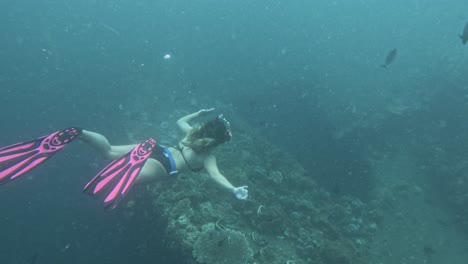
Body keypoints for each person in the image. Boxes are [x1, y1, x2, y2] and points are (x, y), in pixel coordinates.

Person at [0, 108, 248, 209]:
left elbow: (179, 121)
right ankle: (131, 166)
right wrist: (233, 189)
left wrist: (199, 113)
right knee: (124, 180)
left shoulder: (191, 132)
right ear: (220, 142)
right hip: (163, 166)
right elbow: (217, 175)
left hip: (157, 148)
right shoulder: (208, 156)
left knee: (108, 152)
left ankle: (80, 133)